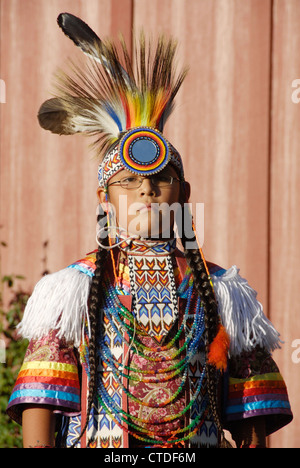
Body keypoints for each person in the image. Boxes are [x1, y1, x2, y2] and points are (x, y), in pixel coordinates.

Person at [7, 13, 292, 449]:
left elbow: (252, 410)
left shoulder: (224, 293)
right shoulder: (72, 291)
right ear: (104, 198)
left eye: (160, 179)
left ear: (183, 193)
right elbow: (41, 399)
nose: (146, 189)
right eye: (128, 181)